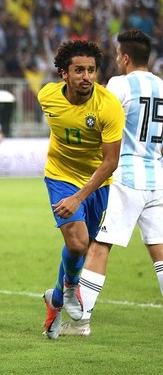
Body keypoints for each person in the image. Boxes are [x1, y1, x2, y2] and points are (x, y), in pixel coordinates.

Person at [60, 30, 163, 337]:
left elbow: (97, 115)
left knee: (99, 246)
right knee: (159, 252)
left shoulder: (118, 84)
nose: (116, 60)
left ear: (126, 57)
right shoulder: (162, 85)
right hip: (157, 176)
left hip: (124, 176)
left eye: (118, 55)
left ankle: (81, 322)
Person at [38, 40, 125, 340]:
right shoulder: (47, 96)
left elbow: (111, 162)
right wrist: (71, 194)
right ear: (64, 74)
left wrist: (80, 196)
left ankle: (56, 300)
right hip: (60, 176)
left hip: (98, 180)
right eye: (79, 70)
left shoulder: (108, 106)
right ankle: (72, 290)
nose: (87, 76)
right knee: (77, 244)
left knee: (85, 246)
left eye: (91, 70)